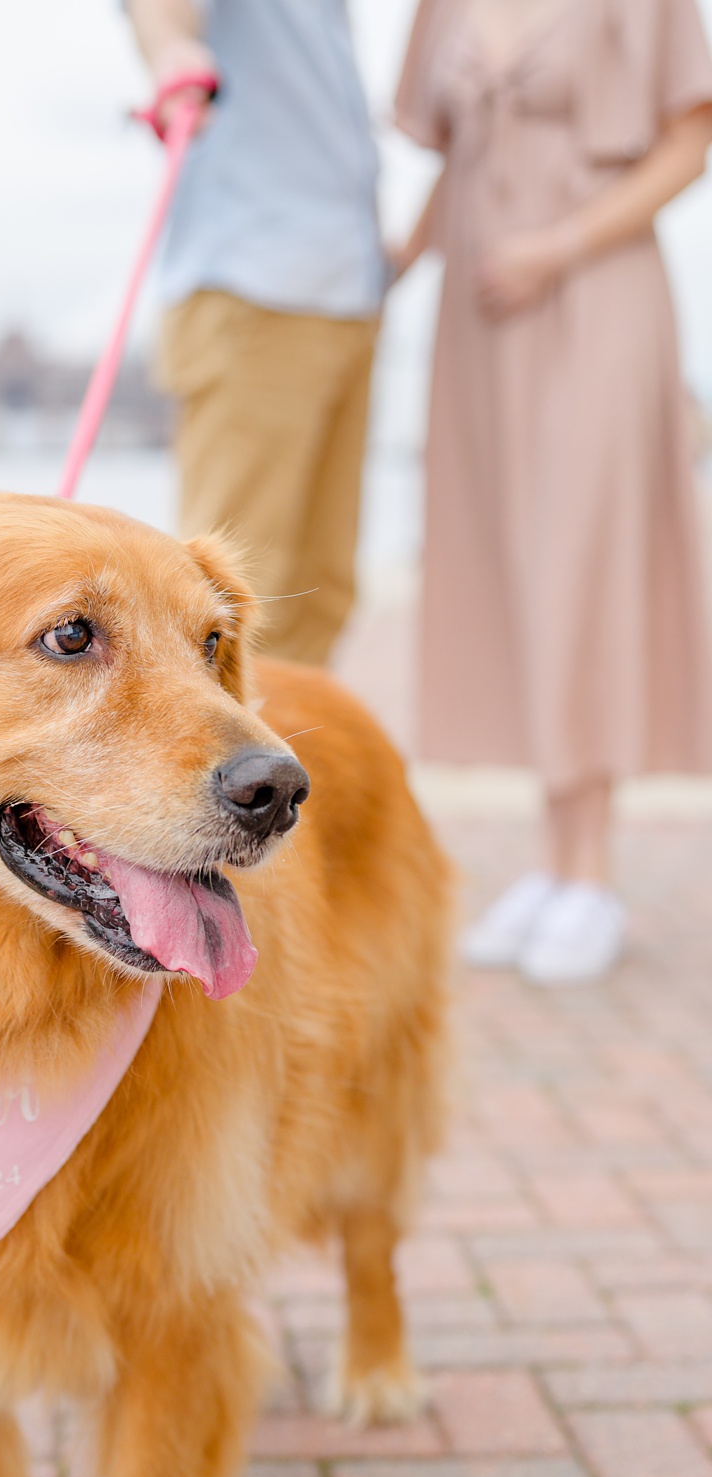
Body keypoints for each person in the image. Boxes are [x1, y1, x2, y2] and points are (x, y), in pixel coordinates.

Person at [397, 0, 712, 984]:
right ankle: (551, 859)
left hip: (595, 299)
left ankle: (592, 872)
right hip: (480, 325)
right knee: (512, 577)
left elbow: (690, 139)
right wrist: (389, 273)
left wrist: (557, 247)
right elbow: (455, 164)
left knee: (586, 568)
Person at [125, 0, 389, 668]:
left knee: (320, 591)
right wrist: (172, 51)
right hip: (254, 284)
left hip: (347, 288)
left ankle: (301, 770)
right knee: (228, 599)